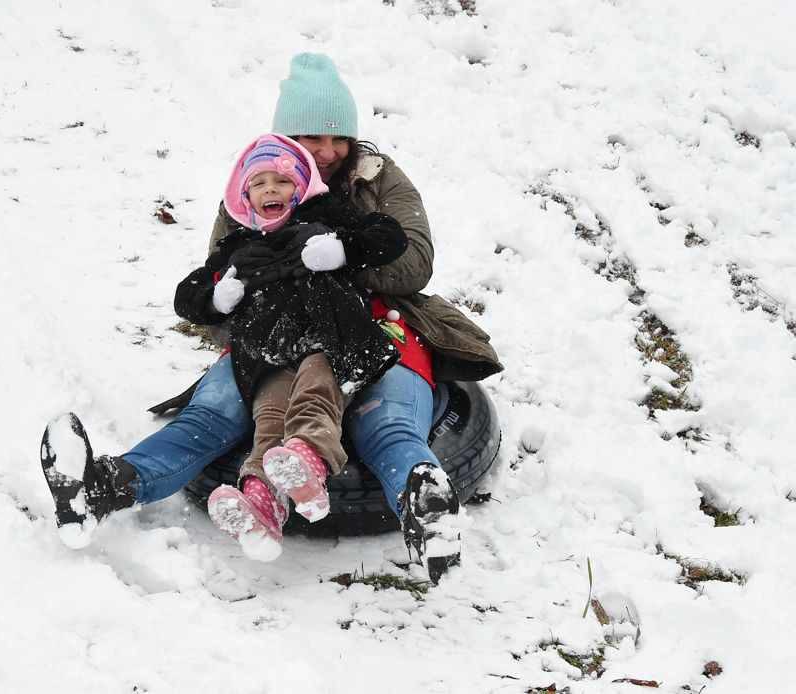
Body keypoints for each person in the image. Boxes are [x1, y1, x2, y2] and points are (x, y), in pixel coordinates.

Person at [39, 53, 503, 582]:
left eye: (338, 139)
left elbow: (412, 259)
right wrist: (232, 302)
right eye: (311, 138)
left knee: (386, 419)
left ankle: (427, 514)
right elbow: (217, 277)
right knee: (212, 416)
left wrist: (342, 257)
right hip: (275, 334)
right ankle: (101, 488)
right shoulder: (260, 185)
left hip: (372, 320)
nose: (328, 151)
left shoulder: (378, 181)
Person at [173, 133, 408, 561]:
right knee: (270, 415)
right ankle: (264, 503)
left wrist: (343, 249)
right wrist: (215, 298)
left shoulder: (327, 217)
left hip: (330, 335)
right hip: (271, 351)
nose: (270, 191)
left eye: (281, 182)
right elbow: (185, 296)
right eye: (259, 185)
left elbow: (389, 237)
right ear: (246, 198)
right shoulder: (237, 245)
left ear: (300, 188)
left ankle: (310, 461)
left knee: (315, 393)